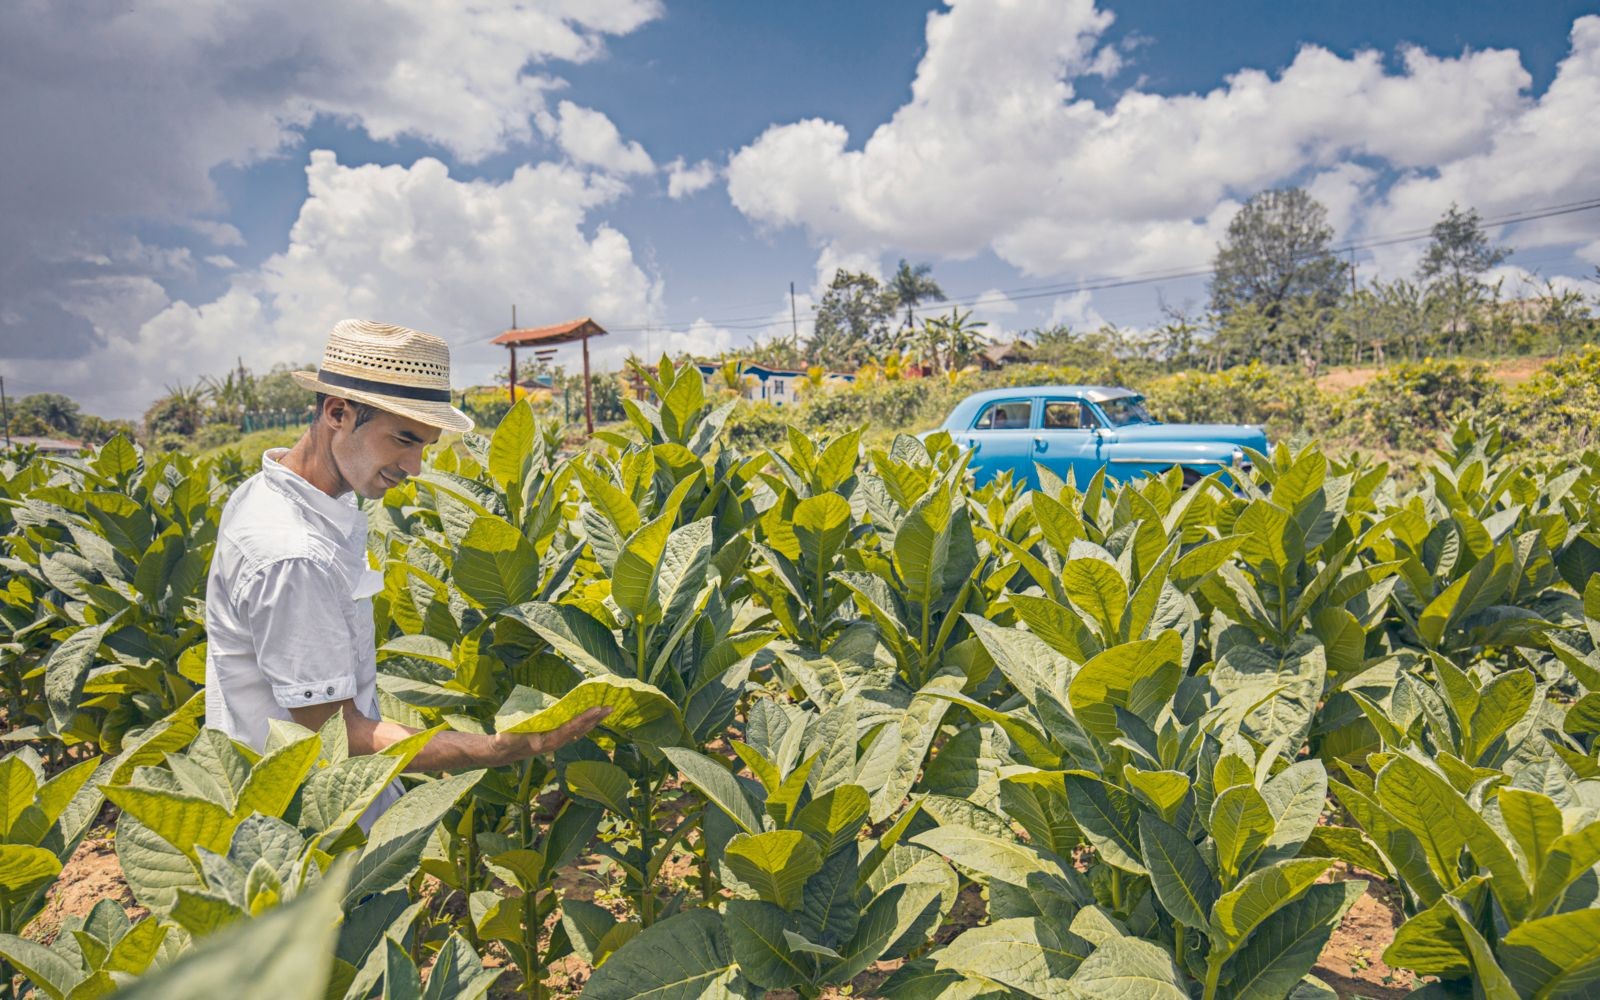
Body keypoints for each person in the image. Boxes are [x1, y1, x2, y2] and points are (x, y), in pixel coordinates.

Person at [203, 319, 608, 827]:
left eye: (425, 446)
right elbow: (334, 733)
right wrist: (493, 748)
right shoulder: (293, 554)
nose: (415, 467)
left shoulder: (274, 493)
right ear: (337, 412)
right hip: (307, 830)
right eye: (403, 439)